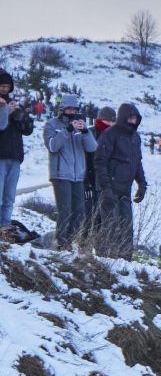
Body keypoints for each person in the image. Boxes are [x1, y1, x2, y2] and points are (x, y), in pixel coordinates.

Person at [91, 102, 148, 255]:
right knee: (109, 226)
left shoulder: (135, 137)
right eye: (130, 118)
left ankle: (125, 260)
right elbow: (100, 161)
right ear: (123, 117)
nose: (133, 121)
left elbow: (137, 163)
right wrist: (105, 187)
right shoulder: (109, 134)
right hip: (109, 187)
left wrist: (142, 184)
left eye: (135, 119)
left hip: (125, 190)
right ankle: (105, 258)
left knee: (126, 227)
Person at [43, 99, 97, 246]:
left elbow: (92, 148)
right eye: (69, 109)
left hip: (78, 176)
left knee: (80, 213)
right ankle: (61, 241)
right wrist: (67, 130)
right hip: (60, 174)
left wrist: (85, 131)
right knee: (65, 210)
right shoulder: (52, 125)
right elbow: (52, 146)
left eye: (75, 109)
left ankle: (68, 241)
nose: (72, 112)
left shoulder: (81, 127)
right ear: (62, 109)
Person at [0, 69, 36, 229]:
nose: (5, 89)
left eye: (7, 86)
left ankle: (5, 226)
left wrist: (23, 117)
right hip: (0, 156)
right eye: (2, 86)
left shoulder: (15, 104)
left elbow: (27, 131)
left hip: (15, 156)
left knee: (9, 197)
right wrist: (5, 112)